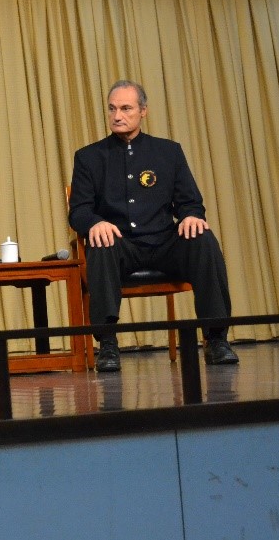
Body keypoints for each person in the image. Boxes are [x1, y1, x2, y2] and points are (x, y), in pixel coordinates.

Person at [68, 80, 239, 372]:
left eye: (125, 108)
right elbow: (79, 211)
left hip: (164, 243)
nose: (117, 115)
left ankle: (216, 338)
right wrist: (95, 222)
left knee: (203, 238)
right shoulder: (89, 157)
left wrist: (190, 216)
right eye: (112, 109)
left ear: (143, 111)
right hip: (122, 244)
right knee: (101, 241)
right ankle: (108, 344)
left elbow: (190, 203)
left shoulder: (168, 152)